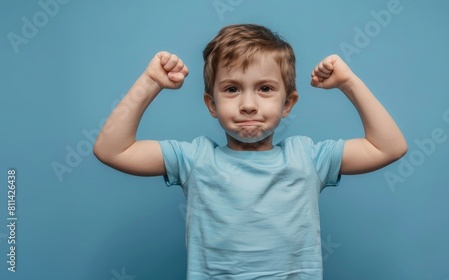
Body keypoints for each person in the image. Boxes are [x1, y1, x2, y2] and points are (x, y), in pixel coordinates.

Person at [93, 23, 407, 279]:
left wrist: (348, 82)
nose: (247, 104)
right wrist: (150, 82)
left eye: (265, 88)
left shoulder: (308, 158)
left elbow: (389, 147)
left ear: (288, 104)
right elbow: (112, 150)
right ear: (211, 104)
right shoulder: (195, 159)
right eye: (231, 89)